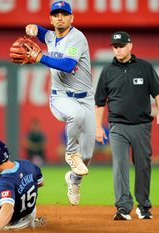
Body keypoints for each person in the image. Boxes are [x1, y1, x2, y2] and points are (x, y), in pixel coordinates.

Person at [24, 1, 96, 206]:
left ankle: (73, 180)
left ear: (72, 18)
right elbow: (41, 32)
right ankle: (71, 152)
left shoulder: (77, 37)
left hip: (86, 99)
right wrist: (32, 28)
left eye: (64, 14)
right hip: (60, 97)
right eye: (56, 14)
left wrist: (40, 57)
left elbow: (67, 64)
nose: (60, 17)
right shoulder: (49, 36)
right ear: (51, 18)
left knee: (88, 156)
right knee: (76, 115)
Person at [94, 32, 159, 220]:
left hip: (141, 125)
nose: (118, 49)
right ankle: (123, 207)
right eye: (115, 46)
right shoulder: (108, 71)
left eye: (121, 46)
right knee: (120, 165)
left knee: (143, 165)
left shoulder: (144, 67)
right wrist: (98, 127)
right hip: (117, 126)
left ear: (130, 46)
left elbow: (158, 92)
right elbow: (100, 102)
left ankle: (143, 206)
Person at [0, 139, 45, 231]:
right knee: (0, 199)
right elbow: (40, 183)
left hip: (11, 222)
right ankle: (28, 220)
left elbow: (8, 208)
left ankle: (6, 225)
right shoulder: (27, 164)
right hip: (30, 214)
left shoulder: (3, 181)